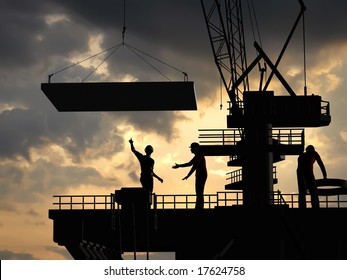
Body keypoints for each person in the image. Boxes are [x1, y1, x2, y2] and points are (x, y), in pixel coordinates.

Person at [172, 142, 207, 209]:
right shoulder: (197, 156)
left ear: (196, 148)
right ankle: (198, 206)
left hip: (202, 175)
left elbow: (194, 166)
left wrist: (188, 175)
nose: (191, 150)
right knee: (198, 192)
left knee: (200, 192)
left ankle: (200, 207)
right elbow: (190, 164)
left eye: (192, 148)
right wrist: (179, 166)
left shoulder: (200, 155)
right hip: (199, 175)